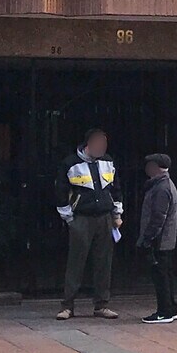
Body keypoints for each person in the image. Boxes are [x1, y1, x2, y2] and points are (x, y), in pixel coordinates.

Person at [57, 126, 123, 320]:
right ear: (89, 144)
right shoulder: (70, 163)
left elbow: (115, 189)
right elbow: (60, 192)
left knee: (104, 262)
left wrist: (117, 213)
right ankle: (67, 306)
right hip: (82, 218)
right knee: (76, 262)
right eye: (99, 143)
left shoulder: (108, 161)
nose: (103, 148)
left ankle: (101, 305)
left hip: (104, 217)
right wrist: (69, 218)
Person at [137, 152, 177, 325]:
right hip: (165, 239)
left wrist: (148, 239)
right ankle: (170, 308)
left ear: (155, 168)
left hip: (160, 241)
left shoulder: (161, 188)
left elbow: (158, 217)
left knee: (161, 276)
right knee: (166, 275)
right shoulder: (164, 185)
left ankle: (164, 311)